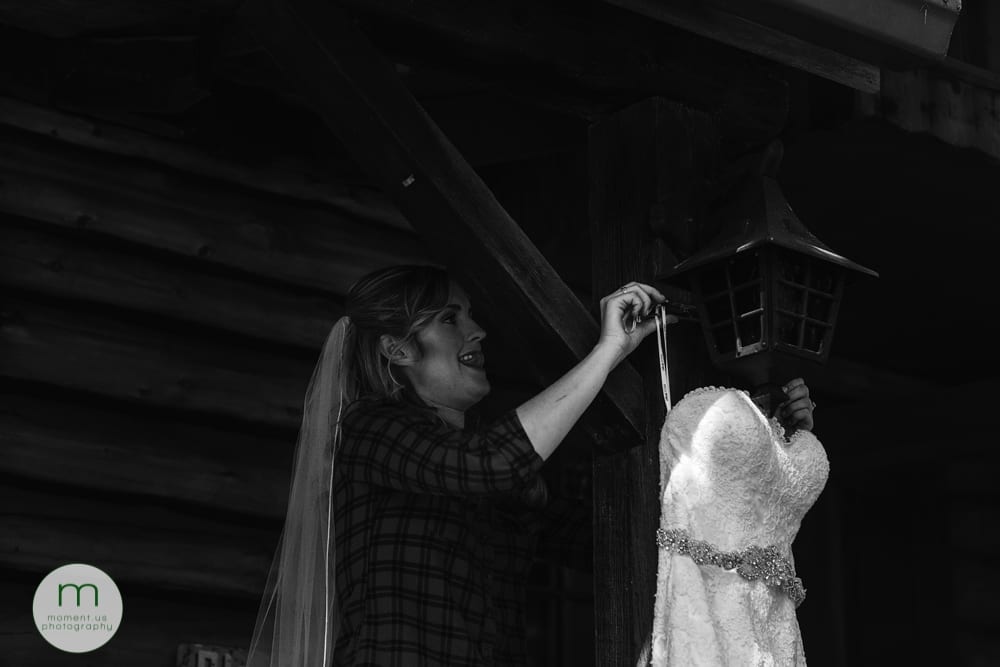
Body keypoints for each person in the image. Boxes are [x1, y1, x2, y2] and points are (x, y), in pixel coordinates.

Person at [246, 264, 816, 667]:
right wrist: (607, 351)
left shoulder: (501, 481)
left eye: (468, 316)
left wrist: (752, 443)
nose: (477, 331)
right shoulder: (371, 429)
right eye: (450, 318)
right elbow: (488, 463)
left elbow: (613, 544)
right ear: (397, 351)